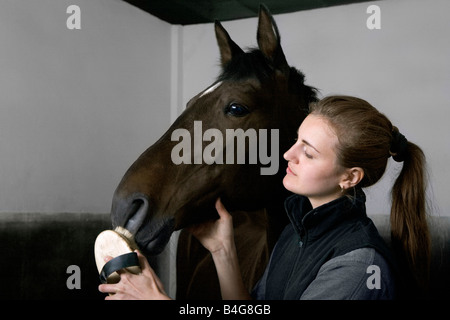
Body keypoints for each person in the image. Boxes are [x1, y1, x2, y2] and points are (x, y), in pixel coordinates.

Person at [99, 95, 430, 300]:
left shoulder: (356, 266)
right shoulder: (297, 230)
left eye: (309, 152)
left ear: (350, 177)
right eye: (297, 140)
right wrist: (223, 250)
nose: (288, 154)